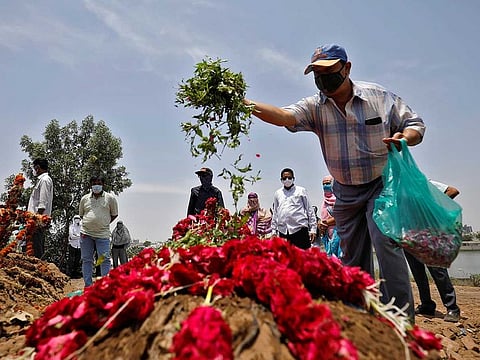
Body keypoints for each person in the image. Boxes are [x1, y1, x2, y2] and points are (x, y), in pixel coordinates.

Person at [245, 43, 425, 320]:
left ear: (347, 68)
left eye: (328, 71)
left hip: (381, 185)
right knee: (352, 256)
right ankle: (361, 314)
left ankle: (401, 319)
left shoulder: (378, 97)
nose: (322, 79)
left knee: (386, 247)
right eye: (317, 74)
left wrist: (405, 138)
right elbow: (283, 116)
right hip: (346, 192)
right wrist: (246, 104)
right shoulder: (315, 106)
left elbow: (415, 124)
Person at [405, 181, 461, 322]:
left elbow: (452, 191)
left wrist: (433, 210)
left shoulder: (424, 183)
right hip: (410, 235)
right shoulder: (399, 190)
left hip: (429, 234)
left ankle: (452, 308)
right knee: (418, 272)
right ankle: (427, 304)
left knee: (438, 271)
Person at [79, 174, 118, 287]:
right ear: (91, 185)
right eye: (94, 183)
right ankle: (88, 285)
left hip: (103, 235)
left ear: (103, 185)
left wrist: (103, 222)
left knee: (104, 259)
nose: (96, 186)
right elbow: (82, 215)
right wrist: (91, 223)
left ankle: (104, 285)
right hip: (86, 234)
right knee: (87, 260)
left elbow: (114, 214)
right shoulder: (84, 198)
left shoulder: (110, 198)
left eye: (99, 183)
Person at [271, 168, 317, 250]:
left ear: (293, 178)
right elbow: (275, 212)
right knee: (286, 259)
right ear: (281, 180)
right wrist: (274, 231)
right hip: (283, 231)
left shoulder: (301, 191)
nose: (287, 180)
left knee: (303, 258)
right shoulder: (278, 193)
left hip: (299, 230)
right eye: (284, 178)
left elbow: (309, 210)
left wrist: (313, 229)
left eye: (289, 178)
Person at [27, 158, 54, 259]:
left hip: (37, 221)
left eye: (34, 168)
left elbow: (42, 203)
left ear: (37, 168)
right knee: (32, 248)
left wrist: (36, 219)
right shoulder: (42, 180)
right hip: (35, 220)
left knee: (36, 250)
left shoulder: (45, 180)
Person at [318, 175, 342, 258]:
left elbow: (341, 216)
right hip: (327, 234)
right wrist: (320, 224)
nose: (325, 186)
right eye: (323, 184)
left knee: (339, 259)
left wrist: (326, 223)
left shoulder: (339, 198)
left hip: (339, 233)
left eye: (328, 183)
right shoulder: (324, 202)